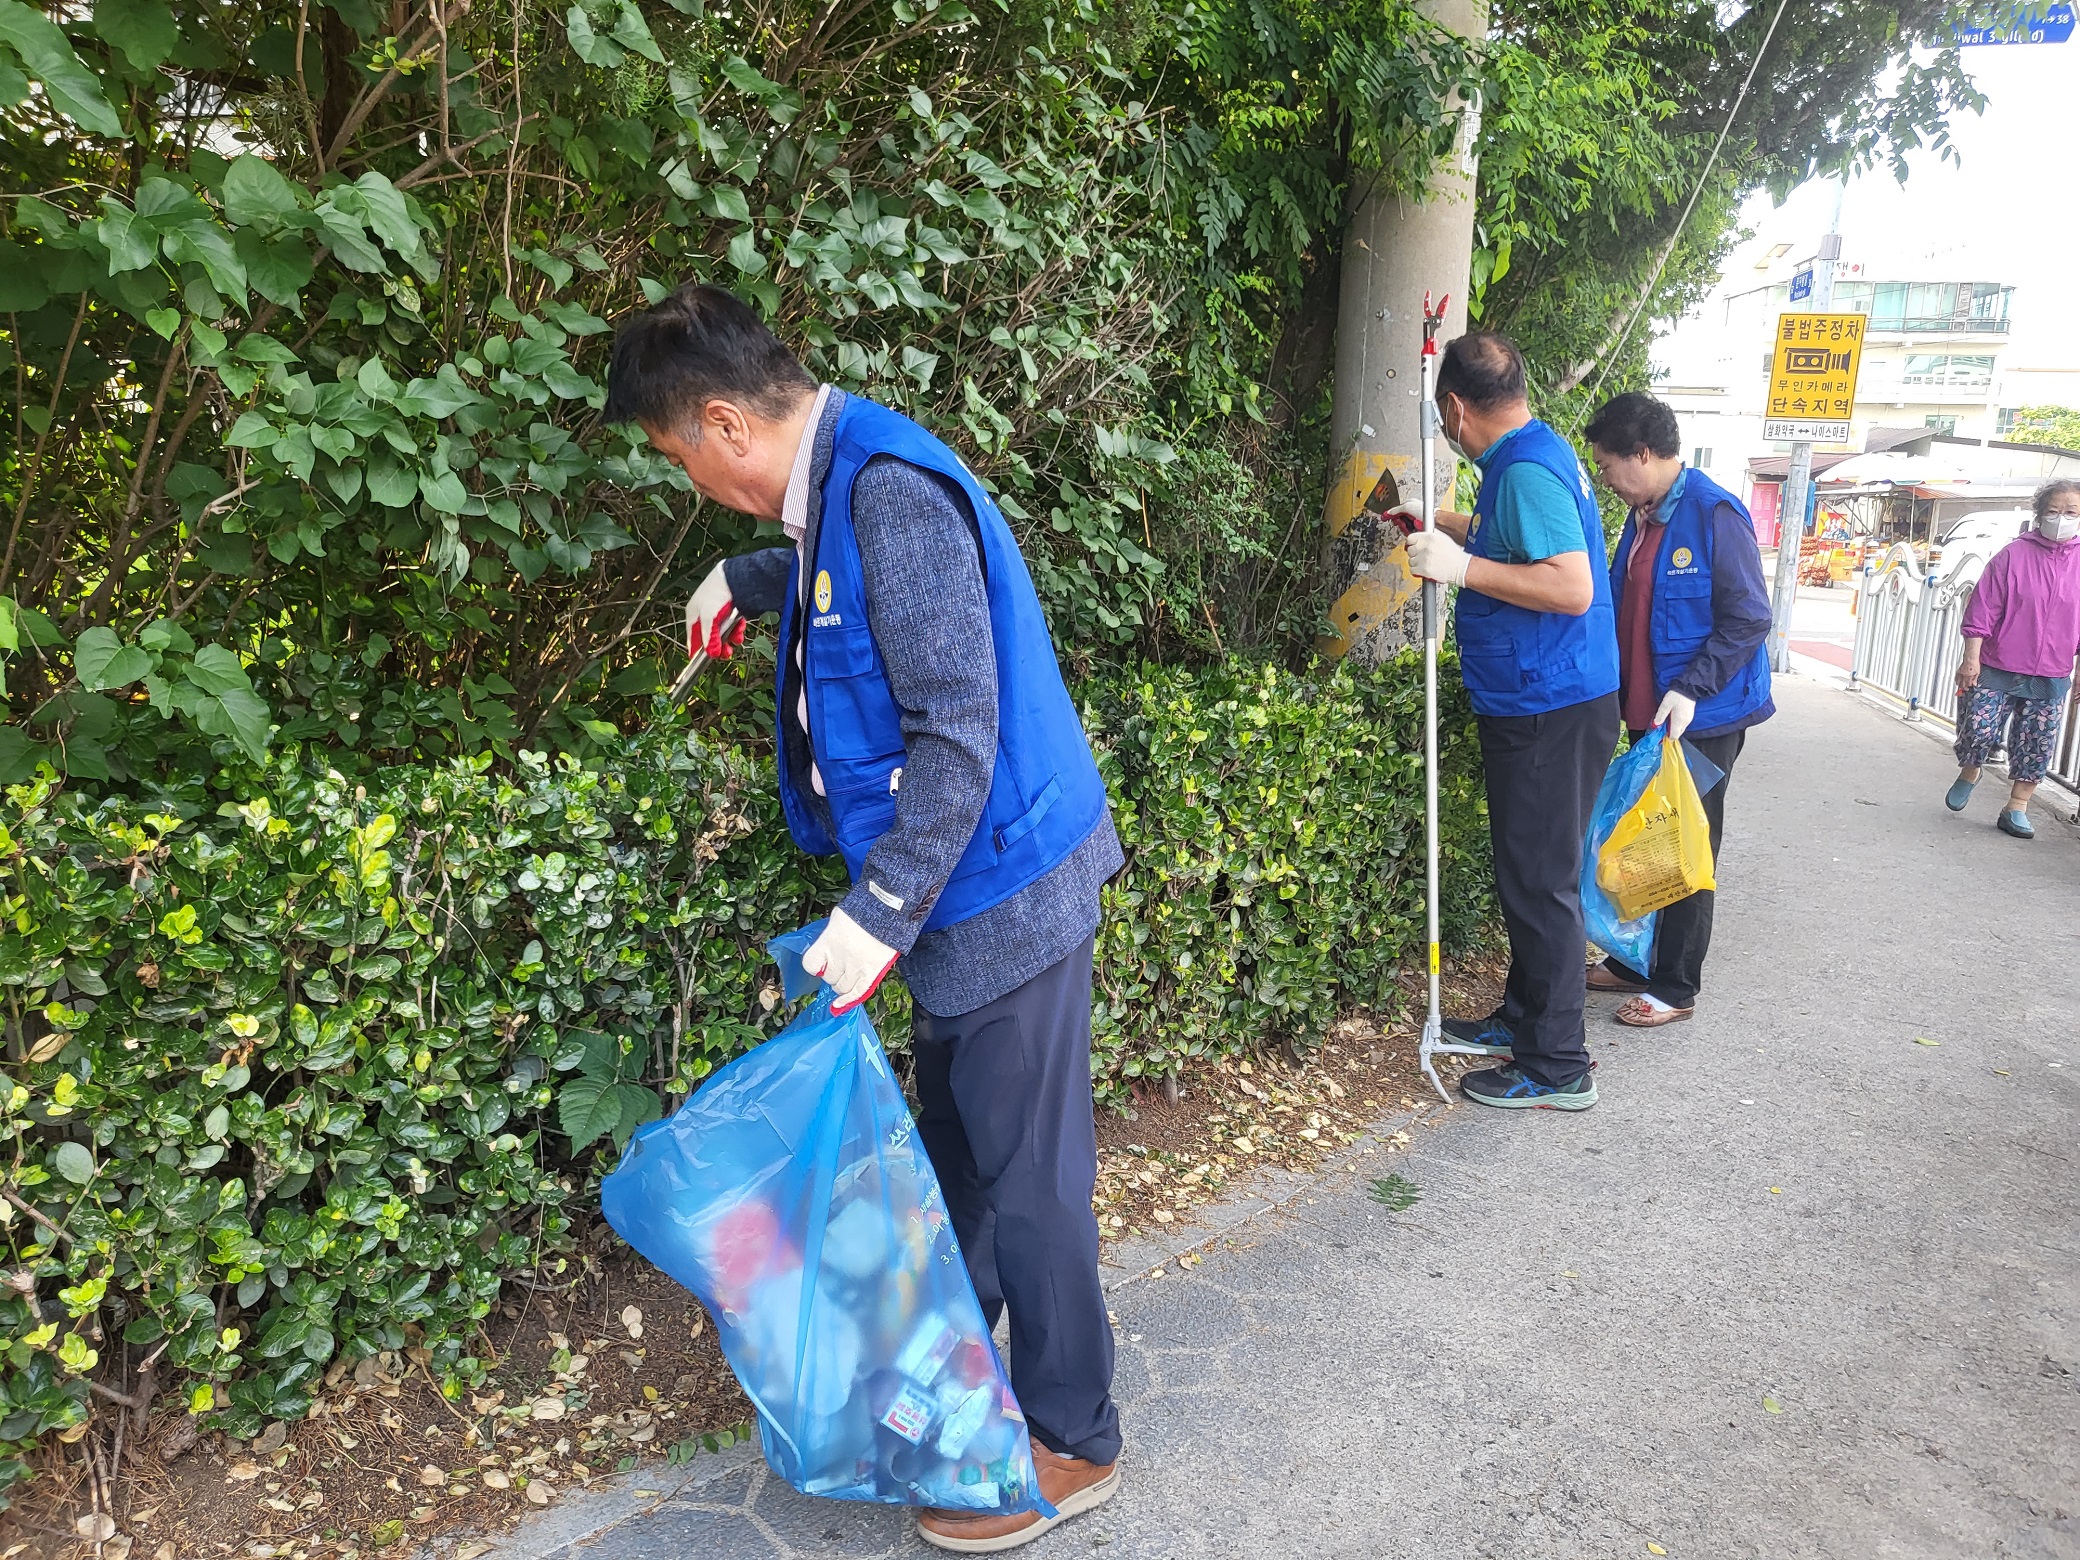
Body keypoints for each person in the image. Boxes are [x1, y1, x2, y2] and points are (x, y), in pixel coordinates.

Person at [605, 284, 1124, 1551]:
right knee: (958, 1160)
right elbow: (849, 584)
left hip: (1002, 892)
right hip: (958, 896)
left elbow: (959, 732)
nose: (686, 480)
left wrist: (880, 909)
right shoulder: (834, 484)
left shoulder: (886, 490)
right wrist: (747, 578)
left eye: (676, 455)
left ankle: (1074, 1441)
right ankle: (951, 1379)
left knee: (1031, 1183)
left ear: (725, 424)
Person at [1399, 331, 1619, 1111]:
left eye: (1442, 417)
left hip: (1548, 707)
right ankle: (1525, 1019)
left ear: (1455, 408)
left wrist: (1460, 569)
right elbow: (1516, 539)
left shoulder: (1523, 470)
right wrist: (1441, 522)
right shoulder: (1529, 453)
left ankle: (1557, 1065)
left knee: (1540, 883)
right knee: (1531, 873)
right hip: (1553, 699)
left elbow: (1570, 587)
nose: (1445, 428)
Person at [1583, 392, 1774, 1027]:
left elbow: (1749, 617)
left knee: (1685, 845)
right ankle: (1634, 962)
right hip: (1649, 711)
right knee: (1645, 840)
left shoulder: (1714, 513)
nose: (1606, 480)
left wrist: (1693, 687)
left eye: (1609, 466)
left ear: (1642, 454)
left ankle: (1675, 986)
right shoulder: (1642, 516)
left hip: (1702, 715)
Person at [1946, 479, 2080, 839]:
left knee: (2037, 742)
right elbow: (1982, 609)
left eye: (2071, 512)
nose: (2062, 519)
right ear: (2040, 514)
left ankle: (2016, 807)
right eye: (2054, 511)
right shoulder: (2012, 556)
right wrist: (1971, 658)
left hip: (2051, 671)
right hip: (1997, 663)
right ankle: (1971, 770)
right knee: (1977, 728)